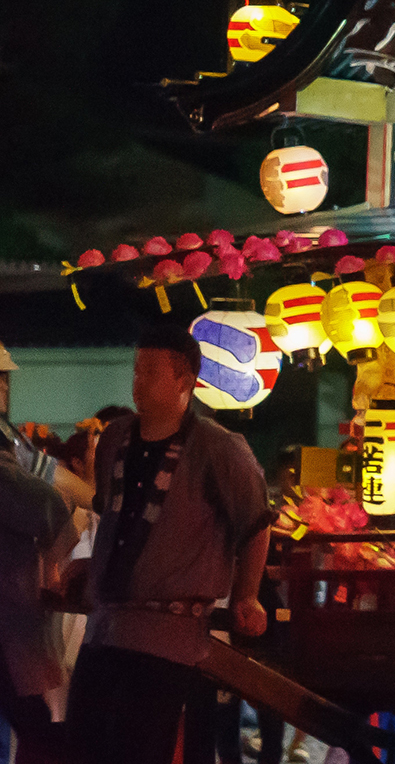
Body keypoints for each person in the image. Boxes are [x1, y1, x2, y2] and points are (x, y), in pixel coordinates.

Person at [66, 326, 275, 764]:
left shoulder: (220, 449)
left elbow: (257, 525)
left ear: (184, 380)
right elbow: (111, 517)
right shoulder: (115, 438)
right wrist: (92, 565)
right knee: (84, 749)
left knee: (138, 751)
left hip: (168, 636)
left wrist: (247, 595)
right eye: (136, 370)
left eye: (149, 372)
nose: (137, 382)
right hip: (104, 628)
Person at [1, 388, 74, 763]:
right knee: (35, 724)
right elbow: (50, 505)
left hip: (10, 617)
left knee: (30, 722)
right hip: (9, 617)